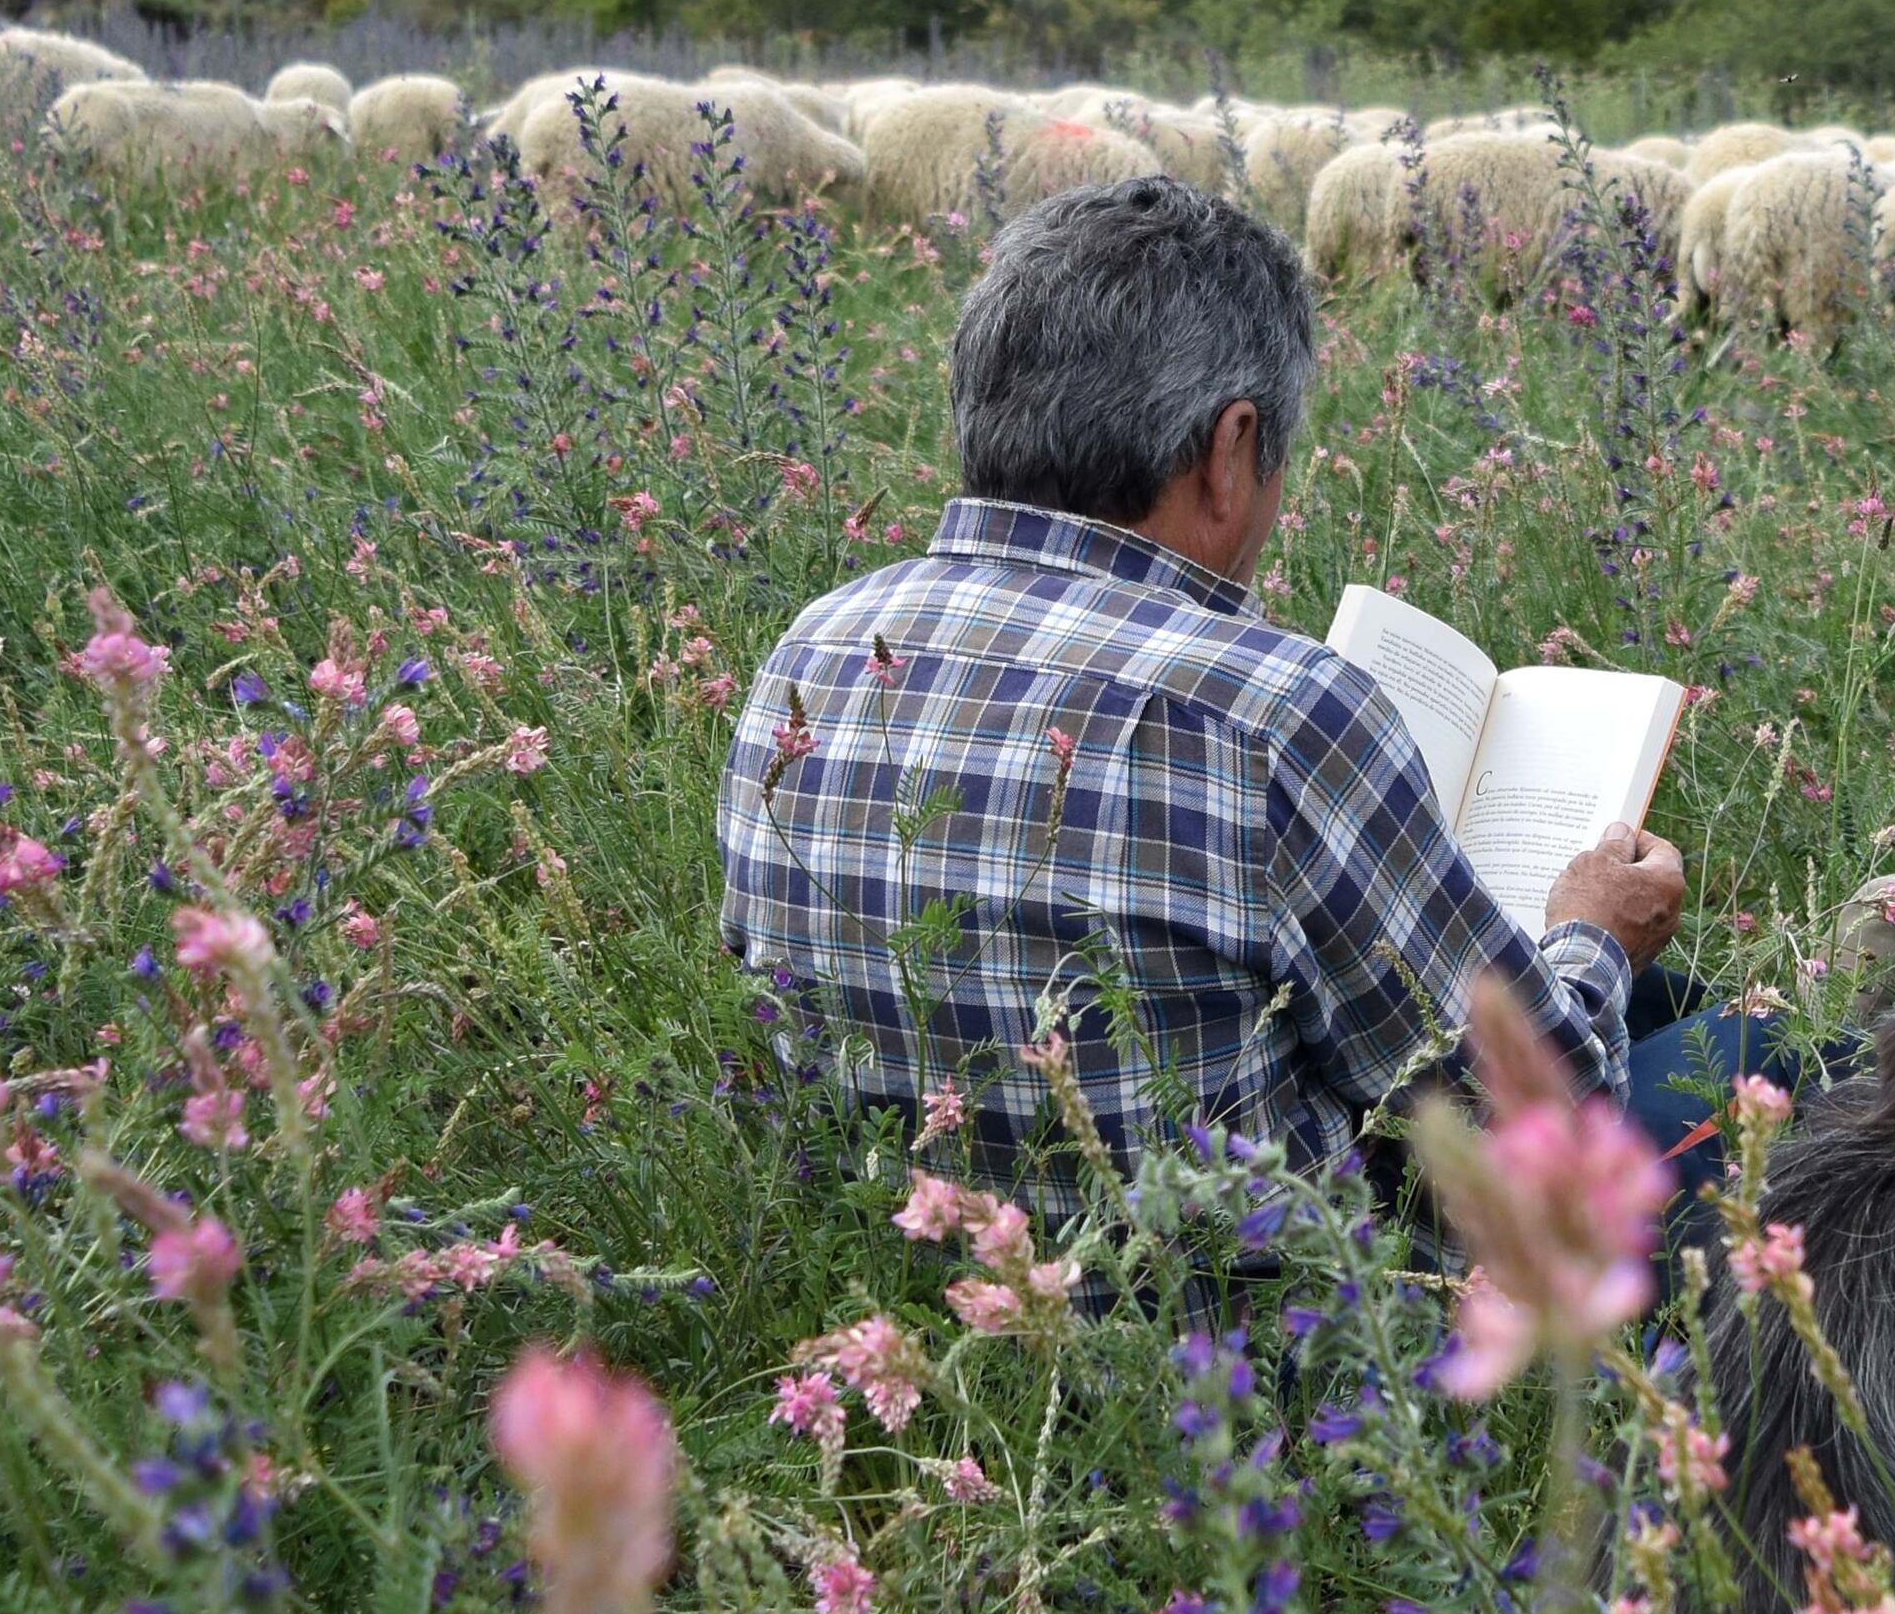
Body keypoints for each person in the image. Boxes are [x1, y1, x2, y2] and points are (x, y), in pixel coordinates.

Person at [719, 172, 1767, 1203]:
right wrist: (1593, 932)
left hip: (906, 1279)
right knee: (1774, 1053)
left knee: (1651, 1002)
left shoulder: (807, 650)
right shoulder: (1272, 710)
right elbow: (1535, 1122)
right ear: (1229, 448)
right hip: (1272, 1334)